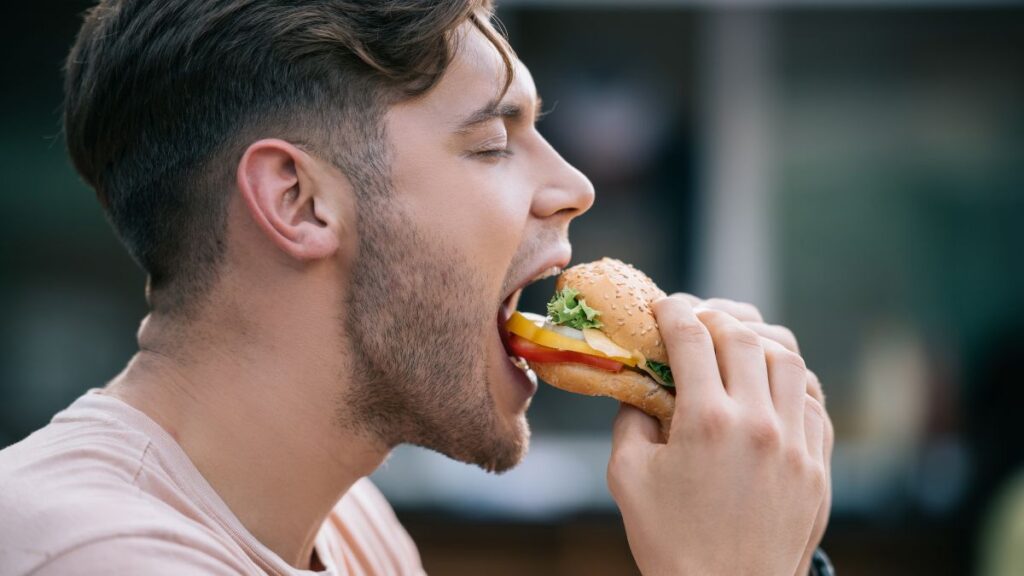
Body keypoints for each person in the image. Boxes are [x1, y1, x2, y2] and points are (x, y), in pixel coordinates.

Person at [0, 1, 834, 574]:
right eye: (492, 141)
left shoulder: (356, 529)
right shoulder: (83, 550)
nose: (576, 185)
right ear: (299, 201)